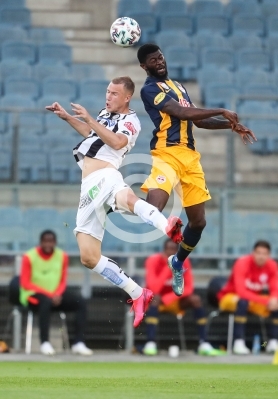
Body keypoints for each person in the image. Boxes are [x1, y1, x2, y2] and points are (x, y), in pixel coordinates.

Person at [46, 76, 183, 329]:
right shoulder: (103, 114)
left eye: (114, 94)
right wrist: (67, 117)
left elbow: (117, 141)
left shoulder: (131, 121)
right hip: (89, 185)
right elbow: (93, 135)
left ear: (127, 97)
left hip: (104, 174)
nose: (108, 97)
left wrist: (90, 119)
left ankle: (166, 226)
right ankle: (137, 292)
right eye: (107, 92)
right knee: (89, 256)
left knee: (125, 198)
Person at [137, 44, 257, 297]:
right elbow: (179, 112)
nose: (159, 62)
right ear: (144, 66)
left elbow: (197, 120)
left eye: (160, 57)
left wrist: (229, 125)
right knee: (154, 207)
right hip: (166, 155)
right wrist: (222, 109)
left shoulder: (179, 86)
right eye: (152, 60)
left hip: (190, 159)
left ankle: (177, 262)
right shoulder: (149, 89)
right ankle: (119, 202)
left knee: (199, 222)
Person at [143, 238, 221, 356]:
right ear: (163, 251)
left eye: (173, 251)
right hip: (155, 302)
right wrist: (168, 268)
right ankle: (150, 343)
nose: (170, 253)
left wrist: (168, 298)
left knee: (196, 300)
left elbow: (189, 288)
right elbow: (154, 288)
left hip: (174, 301)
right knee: (155, 298)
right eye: (168, 251)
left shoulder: (184, 262)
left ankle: (204, 343)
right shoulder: (152, 261)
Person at [20, 230, 92, 356]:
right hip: (33, 296)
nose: (48, 244)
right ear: (41, 242)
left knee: (80, 302)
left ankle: (79, 343)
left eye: (51, 241)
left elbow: (63, 280)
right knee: (45, 302)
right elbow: (25, 283)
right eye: (45, 241)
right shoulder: (29, 256)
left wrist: (58, 294)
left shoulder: (62, 256)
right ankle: (45, 343)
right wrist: (49, 295)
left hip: (56, 295)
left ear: (55, 242)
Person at [217, 240, 278, 354]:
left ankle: (273, 342)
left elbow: (275, 288)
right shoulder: (242, 263)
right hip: (230, 297)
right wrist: (266, 301)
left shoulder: (272, 265)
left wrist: (274, 299)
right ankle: (238, 342)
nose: (261, 256)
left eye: (264, 254)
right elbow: (241, 292)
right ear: (253, 253)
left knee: (276, 304)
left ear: (269, 255)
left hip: (253, 299)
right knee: (243, 301)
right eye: (258, 253)